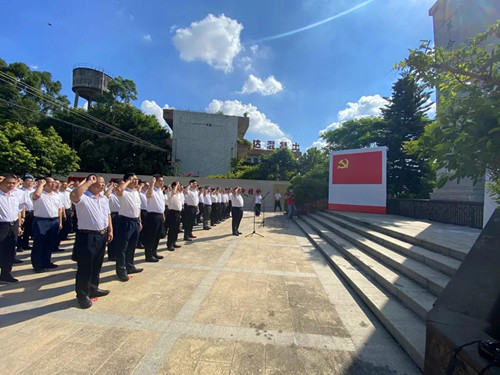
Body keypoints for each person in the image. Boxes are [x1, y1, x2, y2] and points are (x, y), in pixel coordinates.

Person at [70, 174, 113, 309]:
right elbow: (74, 195)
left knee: (96, 265)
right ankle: (82, 295)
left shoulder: (103, 199)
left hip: (101, 235)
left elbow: (107, 215)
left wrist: (110, 230)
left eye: (103, 183)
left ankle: (93, 288)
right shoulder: (83, 198)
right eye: (99, 182)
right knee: (85, 267)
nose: (102, 184)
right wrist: (88, 182)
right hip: (87, 236)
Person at [114, 173, 143, 282]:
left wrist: (139, 221)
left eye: (136, 179)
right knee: (122, 248)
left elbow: (138, 207)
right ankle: (121, 271)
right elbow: (119, 190)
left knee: (132, 246)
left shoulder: (135, 192)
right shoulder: (124, 192)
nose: (136, 181)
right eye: (133, 179)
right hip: (125, 221)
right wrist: (127, 181)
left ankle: (130, 266)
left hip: (135, 221)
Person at [31, 177, 63, 273]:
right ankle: (37, 264)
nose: (53, 184)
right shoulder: (38, 193)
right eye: (51, 182)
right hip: (41, 221)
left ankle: (47, 261)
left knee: (50, 243)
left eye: (54, 182)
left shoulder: (56, 195)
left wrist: (60, 222)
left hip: (54, 220)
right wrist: (40, 184)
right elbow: (36, 195)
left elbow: (59, 210)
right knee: (39, 243)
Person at [0, 175, 23, 283]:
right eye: (9, 183)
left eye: (13, 183)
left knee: (10, 250)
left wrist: (18, 225)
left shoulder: (15, 195)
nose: (11, 185)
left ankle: (6, 274)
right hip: (2, 225)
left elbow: (17, 210)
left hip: (13, 224)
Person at [143, 175, 165, 262]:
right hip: (152, 215)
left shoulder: (160, 191)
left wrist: (163, 214)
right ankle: (148, 255)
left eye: (162, 181)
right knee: (151, 236)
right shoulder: (151, 190)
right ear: (155, 181)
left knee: (157, 236)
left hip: (159, 215)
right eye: (160, 181)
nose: (162, 183)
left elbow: (161, 204)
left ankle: (154, 252)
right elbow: (149, 195)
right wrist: (152, 183)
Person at [18, 174, 35, 251]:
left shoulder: (34, 191)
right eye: (27, 181)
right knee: (21, 229)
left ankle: (26, 244)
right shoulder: (20, 191)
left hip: (33, 212)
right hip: (23, 212)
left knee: (29, 229)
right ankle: (19, 246)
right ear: (23, 182)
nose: (29, 183)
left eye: (31, 181)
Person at [166, 181, 183, 251]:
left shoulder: (179, 194)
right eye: (178, 185)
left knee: (176, 229)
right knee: (172, 229)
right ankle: (169, 244)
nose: (179, 187)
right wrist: (176, 185)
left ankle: (174, 242)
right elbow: (173, 193)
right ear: (174, 186)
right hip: (172, 212)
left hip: (178, 212)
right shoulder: (170, 193)